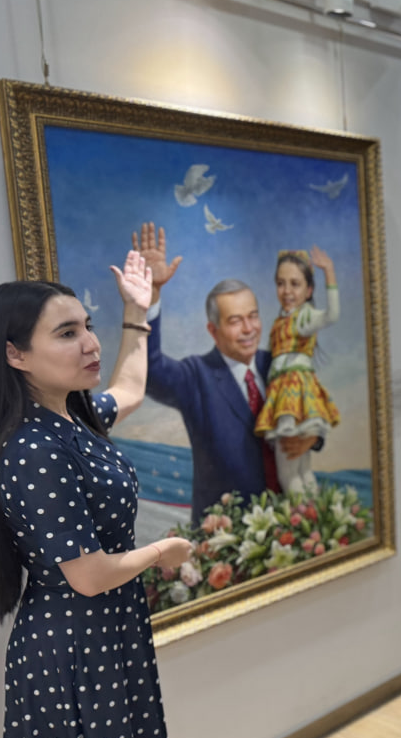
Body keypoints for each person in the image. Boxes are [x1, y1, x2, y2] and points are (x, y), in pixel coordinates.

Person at [0, 256, 194, 738]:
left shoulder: (73, 416)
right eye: (66, 333)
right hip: (71, 654)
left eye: (87, 326)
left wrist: (137, 311)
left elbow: (130, 386)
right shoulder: (34, 448)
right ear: (15, 355)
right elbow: (89, 575)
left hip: (102, 643)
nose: (89, 343)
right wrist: (162, 551)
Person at [134, 223, 315, 523]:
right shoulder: (195, 376)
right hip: (224, 536)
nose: (248, 329)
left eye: (253, 316)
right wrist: (152, 295)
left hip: (289, 524)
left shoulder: (277, 364)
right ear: (213, 330)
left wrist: (312, 438)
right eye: (235, 321)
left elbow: (311, 406)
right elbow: (149, 372)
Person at [253, 247, 341, 493]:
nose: (287, 291)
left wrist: (329, 272)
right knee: (300, 468)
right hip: (285, 391)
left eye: (295, 284)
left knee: (289, 470)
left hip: (293, 394)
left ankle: (300, 512)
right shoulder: (279, 322)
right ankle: (313, 511)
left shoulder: (304, 317)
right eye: (281, 283)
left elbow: (332, 315)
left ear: (309, 290)